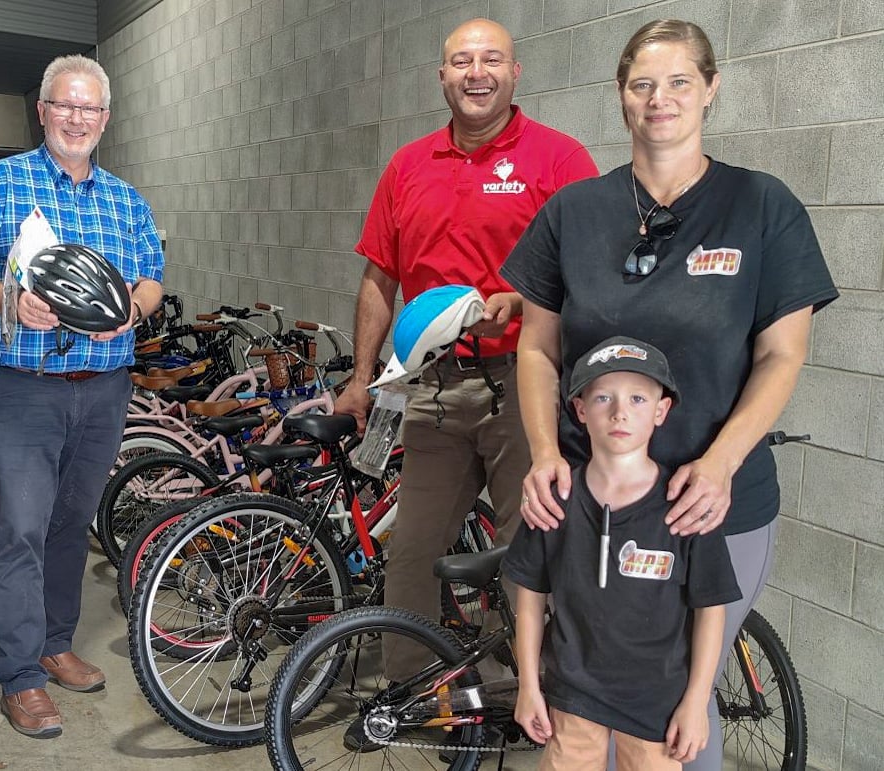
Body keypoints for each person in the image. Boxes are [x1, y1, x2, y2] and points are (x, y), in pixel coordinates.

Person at [500, 19, 837, 771]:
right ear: (620, 97)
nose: (660, 98)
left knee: (678, 706)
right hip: (593, 500)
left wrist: (718, 463)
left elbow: (782, 354)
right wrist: (546, 452)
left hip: (708, 503)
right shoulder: (572, 212)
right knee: (584, 691)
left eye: (679, 80)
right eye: (641, 83)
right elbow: (535, 347)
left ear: (710, 88)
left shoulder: (760, 206)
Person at [333, 16, 598, 712]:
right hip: (432, 389)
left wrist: (527, 299)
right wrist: (361, 379)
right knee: (413, 549)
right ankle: (414, 695)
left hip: (524, 386)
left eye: (490, 60)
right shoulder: (407, 165)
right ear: (442, 77)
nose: (474, 73)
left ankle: (527, 697)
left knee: (528, 550)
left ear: (516, 73)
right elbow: (376, 279)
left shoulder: (559, 159)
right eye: (459, 61)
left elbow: (593, 273)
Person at [0, 54, 164, 739]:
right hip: (22, 389)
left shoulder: (125, 199)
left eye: (90, 108)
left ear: (105, 118)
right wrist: (9, 296)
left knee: (72, 523)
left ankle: (53, 640)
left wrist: (135, 305)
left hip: (103, 387)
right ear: (42, 112)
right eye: (65, 106)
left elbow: (153, 277)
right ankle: (20, 676)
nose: (78, 118)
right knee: (18, 529)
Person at [506, 336, 742, 770]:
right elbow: (530, 595)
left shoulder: (685, 507)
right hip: (573, 696)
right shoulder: (554, 498)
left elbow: (711, 609)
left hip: (657, 704)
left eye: (637, 397)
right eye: (602, 397)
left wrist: (696, 700)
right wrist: (527, 685)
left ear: (661, 410)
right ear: (579, 409)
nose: (619, 412)